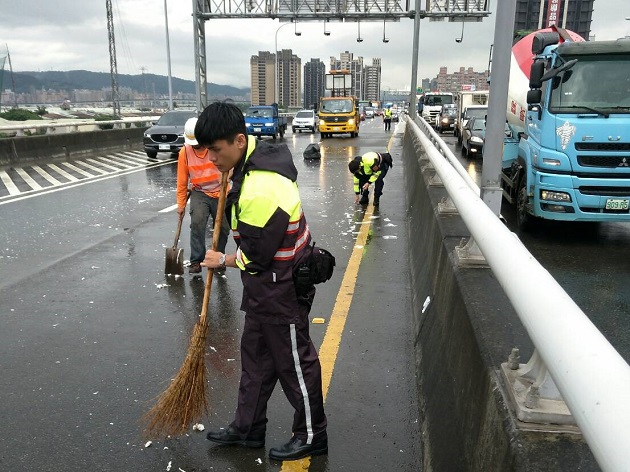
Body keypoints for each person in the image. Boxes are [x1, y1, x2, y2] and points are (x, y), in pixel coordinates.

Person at [195, 102, 328, 462]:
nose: (210, 159)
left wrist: (223, 259)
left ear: (239, 140)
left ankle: (312, 434)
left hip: (280, 287)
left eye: (216, 150)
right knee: (255, 360)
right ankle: (248, 427)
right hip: (263, 289)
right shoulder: (249, 163)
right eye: (205, 150)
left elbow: (256, 257)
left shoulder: (260, 188)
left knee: (294, 364)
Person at [176, 117, 230, 274]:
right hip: (200, 192)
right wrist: (180, 205)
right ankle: (196, 261)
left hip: (222, 190)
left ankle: (219, 259)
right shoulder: (184, 152)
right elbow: (181, 181)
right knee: (197, 224)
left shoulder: (214, 146)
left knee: (223, 228)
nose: (196, 146)